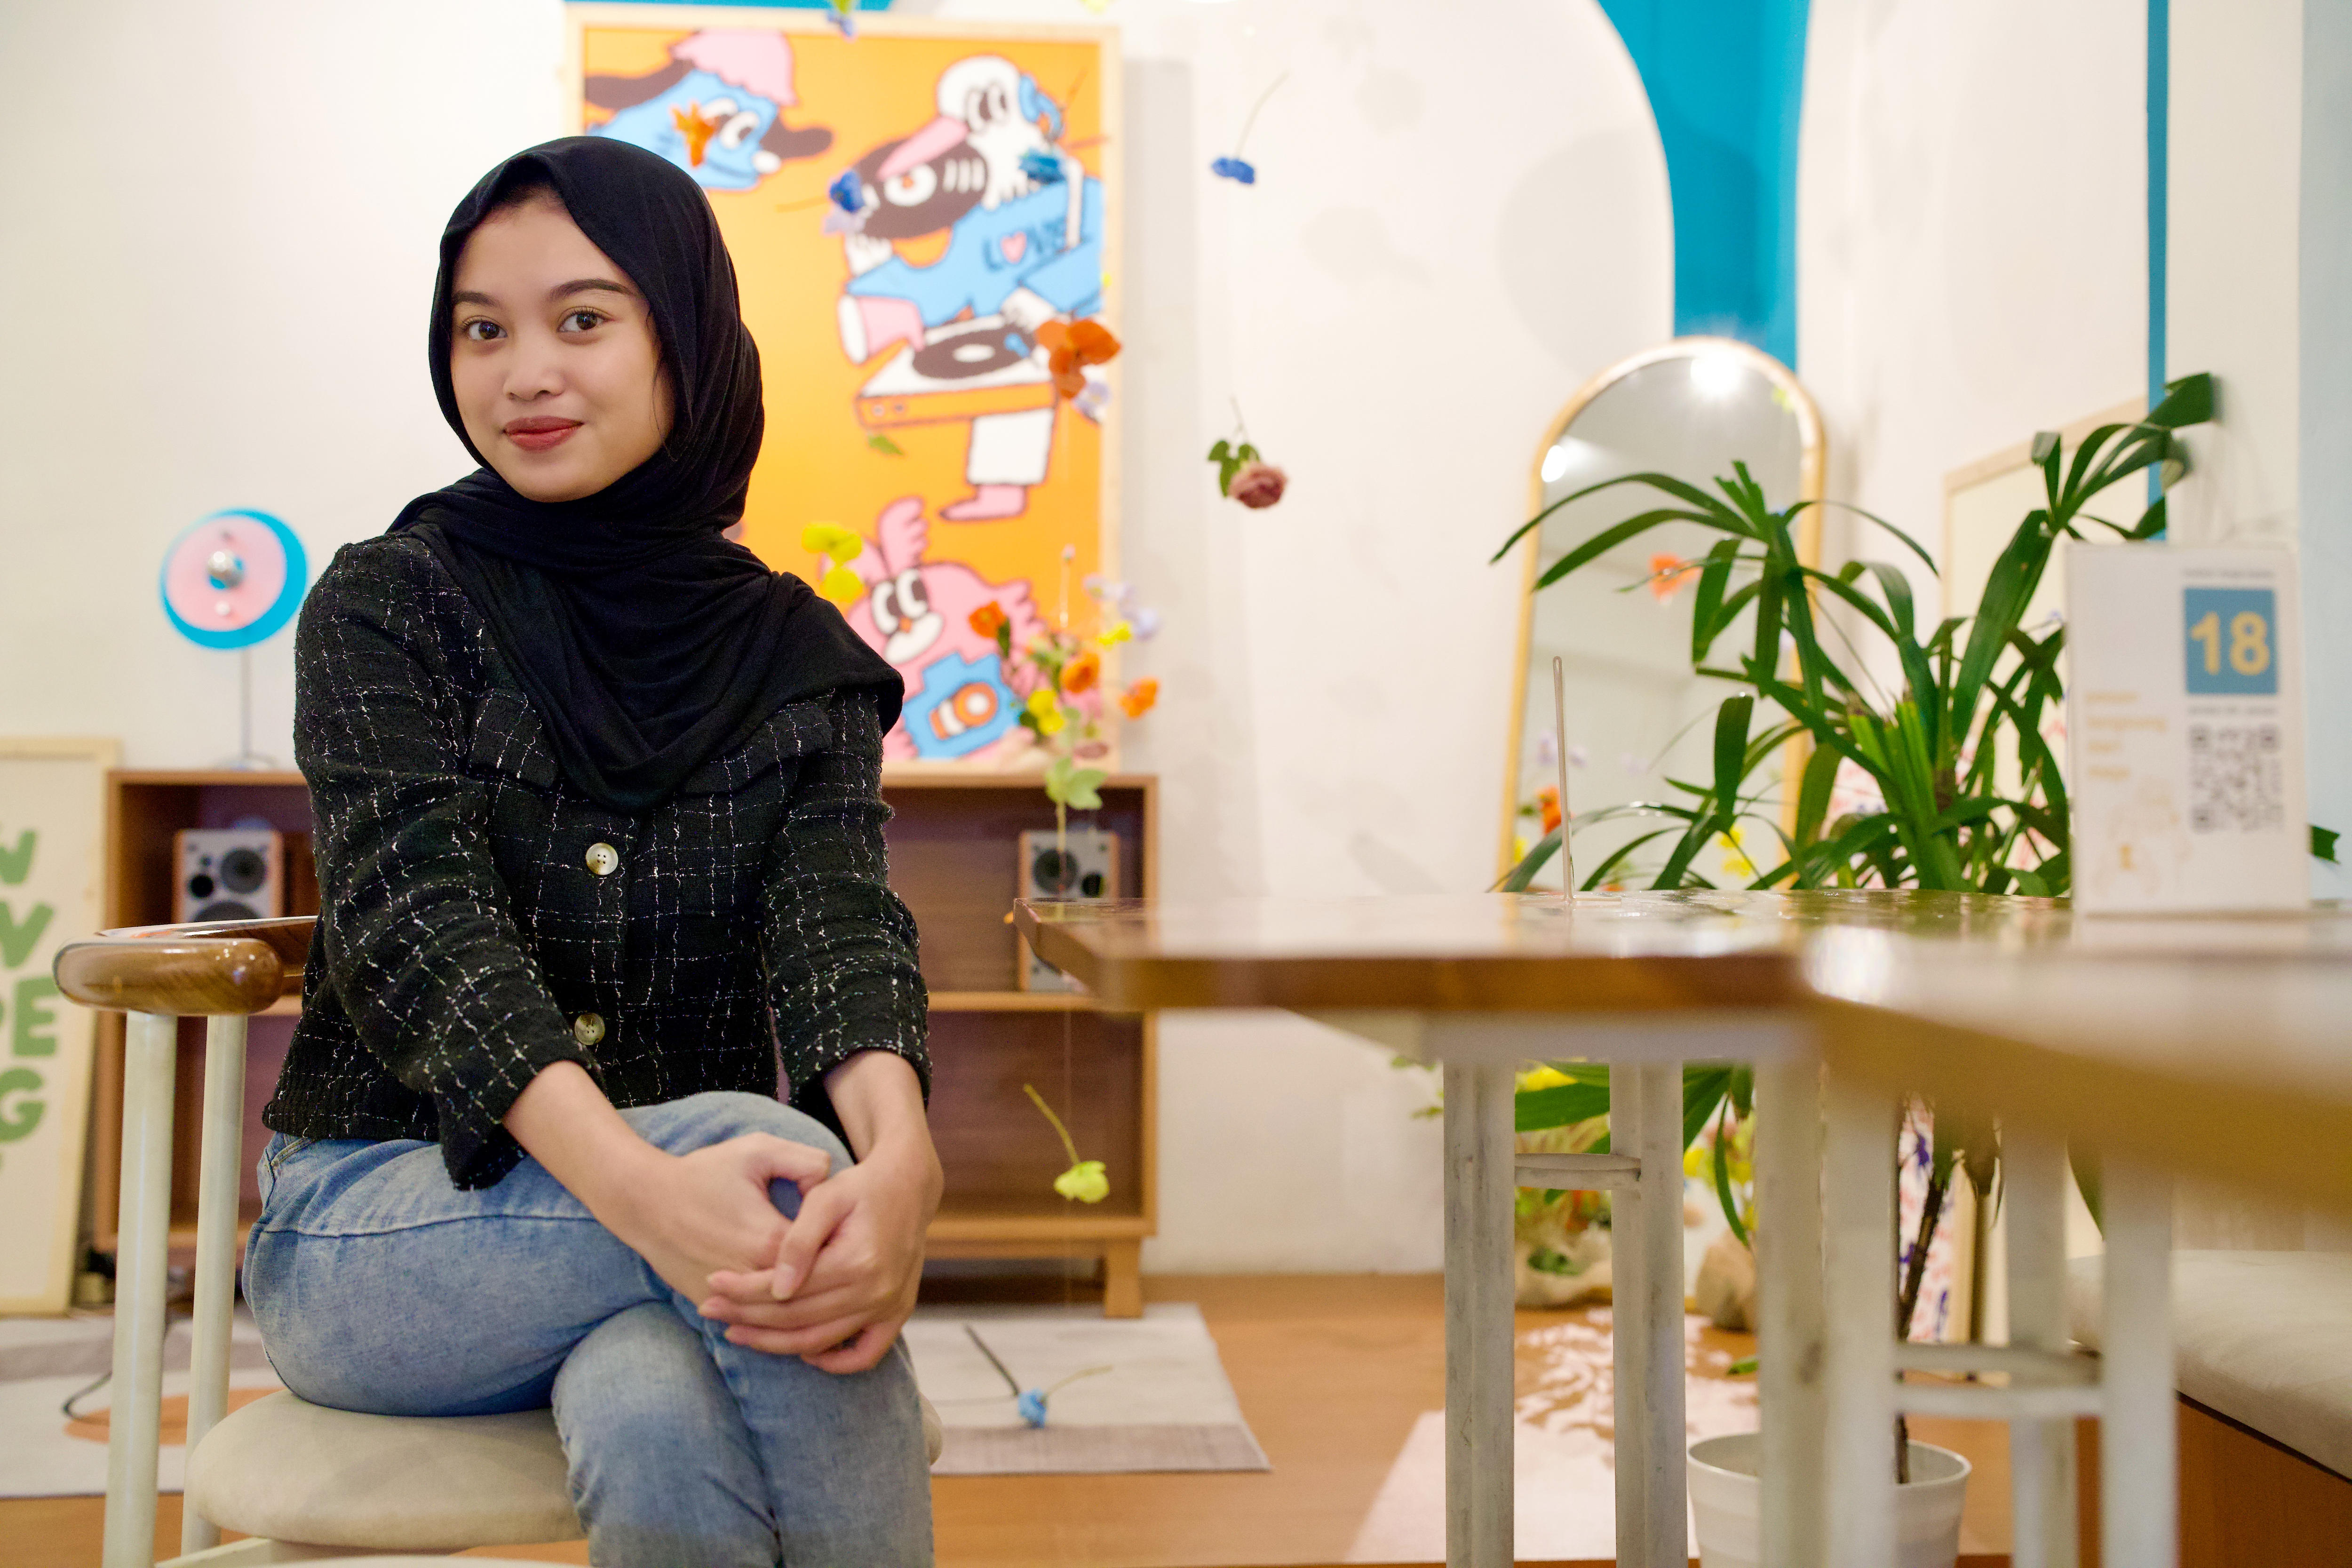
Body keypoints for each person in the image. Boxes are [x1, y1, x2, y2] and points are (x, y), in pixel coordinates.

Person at [246, 136, 938, 1567]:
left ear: (684, 337)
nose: (522, 374)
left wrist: (911, 1164)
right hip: (381, 1234)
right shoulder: (389, 604)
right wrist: (646, 1190)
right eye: (481, 330)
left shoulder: (790, 656)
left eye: (582, 319)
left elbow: (836, 934)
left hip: (684, 1240)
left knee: (656, 1408)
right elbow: (419, 930)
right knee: (782, 1175)